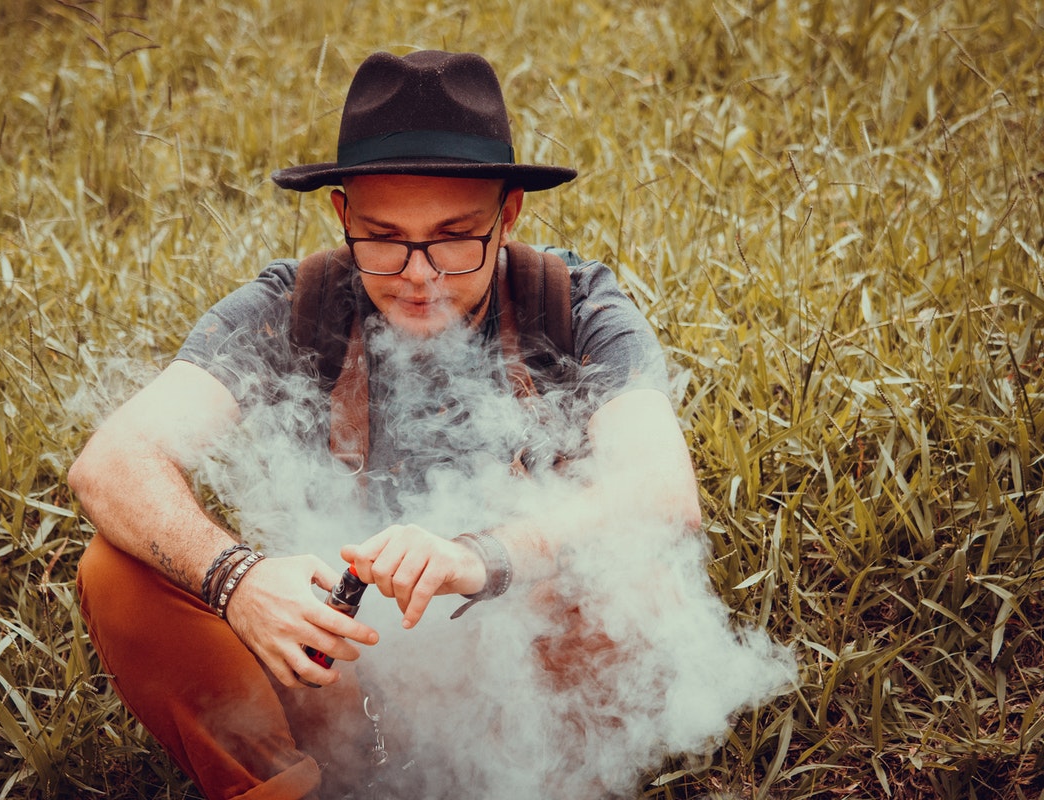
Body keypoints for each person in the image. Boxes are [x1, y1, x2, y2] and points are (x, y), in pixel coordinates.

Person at [69, 49, 702, 800]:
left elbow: (665, 496)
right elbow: (110, 462)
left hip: (527, 686)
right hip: (338, 680)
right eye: (383, 236)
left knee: (643, 582)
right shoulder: (294, 303)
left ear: (509, 214)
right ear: (341, 215)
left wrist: (484, 555)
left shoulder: (573, 303)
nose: (418, 272)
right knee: (117, 571)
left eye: (454, 236)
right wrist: (237, 578)